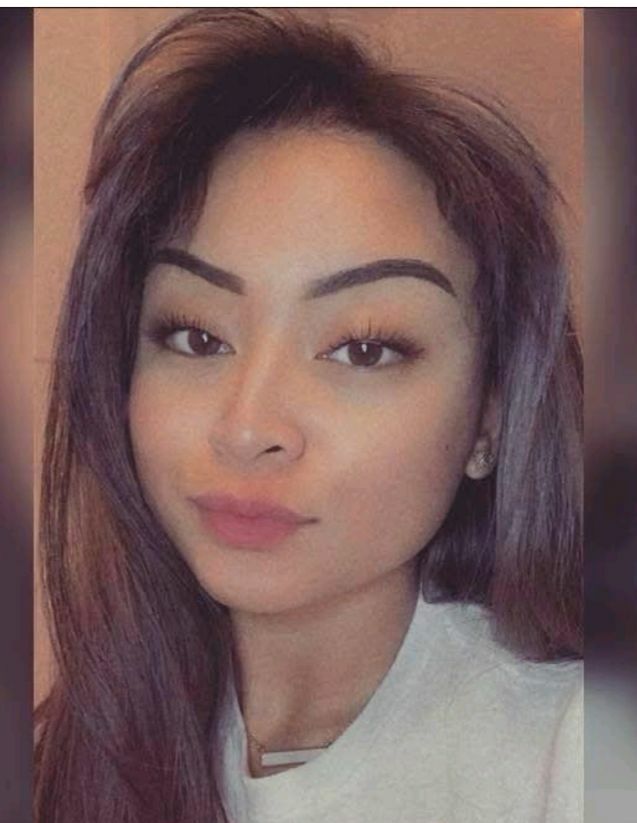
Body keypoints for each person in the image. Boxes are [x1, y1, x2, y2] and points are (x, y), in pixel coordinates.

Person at [35, 10, 582, 823]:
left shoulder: (571, 756)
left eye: (363, 348)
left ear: (488, 421)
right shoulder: (72, 752)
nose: (247, 426)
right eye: (196, 335)